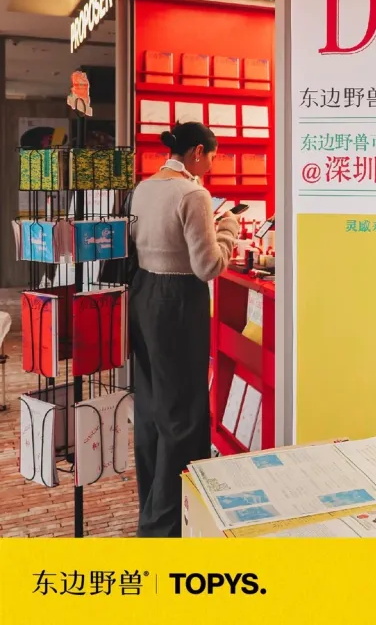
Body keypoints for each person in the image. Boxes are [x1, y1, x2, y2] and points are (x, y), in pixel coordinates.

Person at [129, 121, 239, 537]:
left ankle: (152, 509)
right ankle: (167, 524)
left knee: (152, 408)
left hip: (143, 295)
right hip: (177, 302)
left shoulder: (143, 188)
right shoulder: (194, 194)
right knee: (183, 415)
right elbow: (207, 266)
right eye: (212, 156)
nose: (212, 164)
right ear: (197, 152)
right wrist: (227, 230)